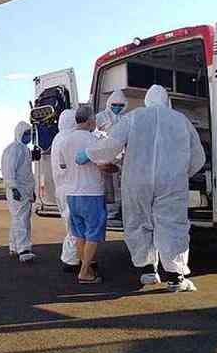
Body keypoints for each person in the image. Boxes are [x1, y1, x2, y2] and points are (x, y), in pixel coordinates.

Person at [78, 85, 205, 292]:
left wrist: (90, 153)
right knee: (172, 225)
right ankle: (175, 277)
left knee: (138, 222)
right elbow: (198, 157)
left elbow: (111, 145)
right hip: (171, 182)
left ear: (147, 100)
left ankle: (147, 270)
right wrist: (180, 175)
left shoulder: (134, 117)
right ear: (167, 101)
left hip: (137, 180)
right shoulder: (181, 120)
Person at [62, 105, 108, 283]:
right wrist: (115, 167)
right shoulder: (92, 140)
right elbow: (103, 165)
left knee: (80, 234)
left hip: (72, 193)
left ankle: (85, 268)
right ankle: (84, 272)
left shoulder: (66, 141)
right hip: (91, 193)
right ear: (90, 120)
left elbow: (63, 166)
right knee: (93, 234)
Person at [1, 121, 36, 263]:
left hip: (24, 191)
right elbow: (9, 170)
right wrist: (13, 187)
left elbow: (27, 173)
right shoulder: (14, 149)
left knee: (20, 219)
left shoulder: (24, 149)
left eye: (30, 133)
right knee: (21, 220)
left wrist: (31, 191)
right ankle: (24, 250)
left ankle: (14, 246)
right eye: (26, 133)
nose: (29, 136)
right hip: (17, 190)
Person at [50, 109, 80, 273]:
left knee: (70, 224)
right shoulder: (69, 138)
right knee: (75, 225)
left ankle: (73, 258)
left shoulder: (58, 138)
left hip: (61, 188)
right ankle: (71, 260)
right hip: (71, 188)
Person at [95, 89, 128, 226]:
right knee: (107, 185)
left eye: (120, 105)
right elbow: (94, 133)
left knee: (119, 185)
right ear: (109, 104)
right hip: (105, 155)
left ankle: (117, 211)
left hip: (121, 157)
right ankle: (108, 212)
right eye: (115, 104)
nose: (117, 107)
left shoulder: (125, 118)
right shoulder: (101, 117)